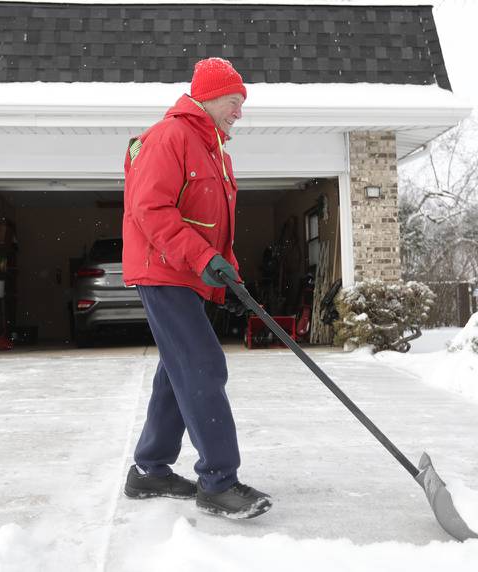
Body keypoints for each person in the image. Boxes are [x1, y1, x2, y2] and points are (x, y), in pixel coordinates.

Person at [120, 58, 272, 519]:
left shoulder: (214, 150)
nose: (239, 112)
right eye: (234, 101)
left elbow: (214, 228)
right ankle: (218, 481)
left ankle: (150, 471)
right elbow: (151, 209)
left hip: (186, 273)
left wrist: (230, 271)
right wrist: (202, 258)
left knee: (177, 370)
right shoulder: (170, 137)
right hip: (163, 270)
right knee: (202, 366)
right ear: (208, 96)